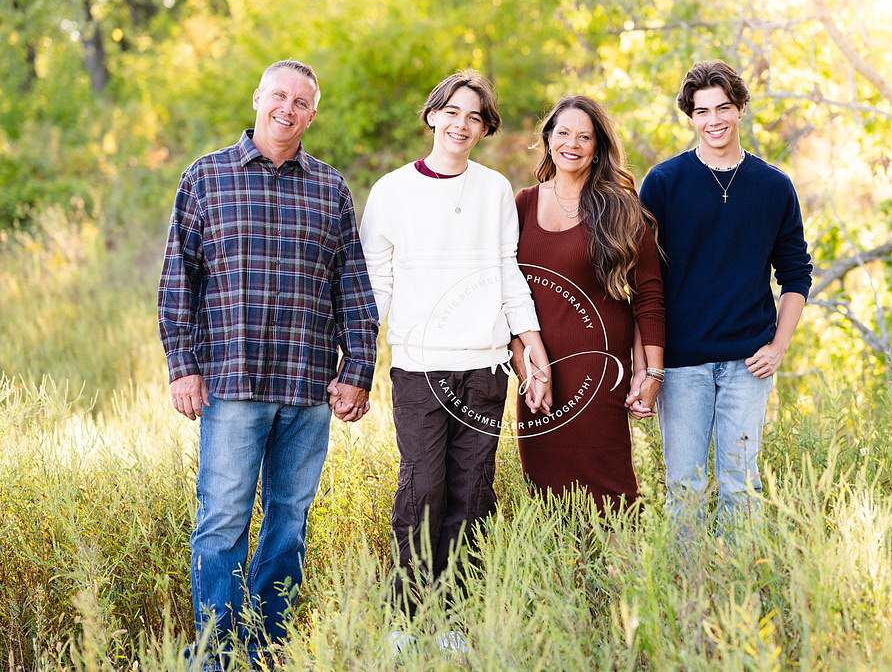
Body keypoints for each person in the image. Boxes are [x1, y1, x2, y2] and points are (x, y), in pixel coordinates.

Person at [157, 59, 378, 662]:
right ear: (257, 97)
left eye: (301, 101)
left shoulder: (330, 188)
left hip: (308, 388)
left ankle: (266, 649)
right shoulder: (207, 177)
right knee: (222, 522)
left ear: (313, 112)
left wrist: (356, 371)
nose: (288, 108)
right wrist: (183, 366)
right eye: (278, 95)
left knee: (288, 526)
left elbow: (352, 288)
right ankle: (216, 653)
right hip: (231, 382)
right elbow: (179, 280)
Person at [359, 70, 552, 629]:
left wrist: (529, 339)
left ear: (484, 127)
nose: (461, 124)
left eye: (474, 117)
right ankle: (405, 620)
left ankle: (453, 622)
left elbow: (507, 269)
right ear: (432, 116)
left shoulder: (493, 189)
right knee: (422, 488)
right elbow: (377, 280)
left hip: (486, 369)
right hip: (420, 371)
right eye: (452, 112)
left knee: (471, 492)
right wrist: (358, 359)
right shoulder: (393, 190)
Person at [639, 59, 812, 534]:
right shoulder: (663, 183)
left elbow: (796, 274)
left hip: (747, 363)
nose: (713, 120)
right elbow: (643, 281)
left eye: (722, 108)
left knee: (740, 486)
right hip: (681, 364)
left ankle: (739, 597)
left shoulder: (774, 186)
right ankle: (687, 597)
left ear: (740, 110)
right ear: (690, 117)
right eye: (701, 111)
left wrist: (778, 346)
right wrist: (646, 363)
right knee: (685, 489)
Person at [510, 95, 664, 514]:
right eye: (563, 133)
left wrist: (651, 373)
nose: (572, 144)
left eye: (584, 136)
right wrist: (524, 366)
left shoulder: (622, 208)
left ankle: (623, 580)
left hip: (600, 378)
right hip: (537, 378)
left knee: (612, 498)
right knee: (546, 498)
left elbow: (648, 298)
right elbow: (507, 293)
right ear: (548, 139)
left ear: (598, 148)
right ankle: (561, 581)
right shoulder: (522, 204)